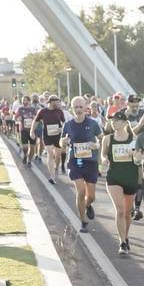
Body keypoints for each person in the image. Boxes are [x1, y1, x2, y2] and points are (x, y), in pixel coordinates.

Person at [60, 96, 103, 232]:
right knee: (81, 191)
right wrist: (64, 142)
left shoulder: (93, 123)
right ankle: (83, 221)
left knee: (91, 196)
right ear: (72, 108)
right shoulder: (68, 125)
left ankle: (87, 205)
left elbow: (102, 140)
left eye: (80, 107)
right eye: (76, 107)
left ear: (86, 108)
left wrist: (95, 145)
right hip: (75, 161)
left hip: (90, 162)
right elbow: (61, 142)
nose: (78, 110)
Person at [101, 109, 141, 254]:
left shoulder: (133, 138)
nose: (114, 122)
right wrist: (105, 160)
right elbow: (103, 154)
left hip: (130, 178)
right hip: (114, 178)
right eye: (112, 120)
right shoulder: (108, 138)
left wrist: (135, 155)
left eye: (117, 120)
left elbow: (139, 159)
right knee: (120, 210)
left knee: (127, 213)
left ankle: (126, 236)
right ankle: (122, 242)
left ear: (125, 123)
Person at [34, 95, 66, 180]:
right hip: (47, 135)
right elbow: (36, 121)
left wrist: (62, 128)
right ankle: (52, 176)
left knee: (58, 156)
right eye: (57, 101)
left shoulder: (59, 111)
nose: (58, 103)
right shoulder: (42, 111)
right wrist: (31, 131)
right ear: (52, 101)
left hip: (58, 135)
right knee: (50, 154)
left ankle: (56, 168)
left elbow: (64, 122)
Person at [17, 95, 38, 166]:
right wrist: (18, 118)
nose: (23, 101)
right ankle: (25, 155)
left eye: (25, 100)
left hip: (32, 130)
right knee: (25, 147)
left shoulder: (32, 109)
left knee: (32, 147)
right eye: (22, 100)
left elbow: (36, 118)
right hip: (23, 130)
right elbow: (16, 117)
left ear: (29, 101)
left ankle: (29, 160)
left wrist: (34, 118)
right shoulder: (20, 109)